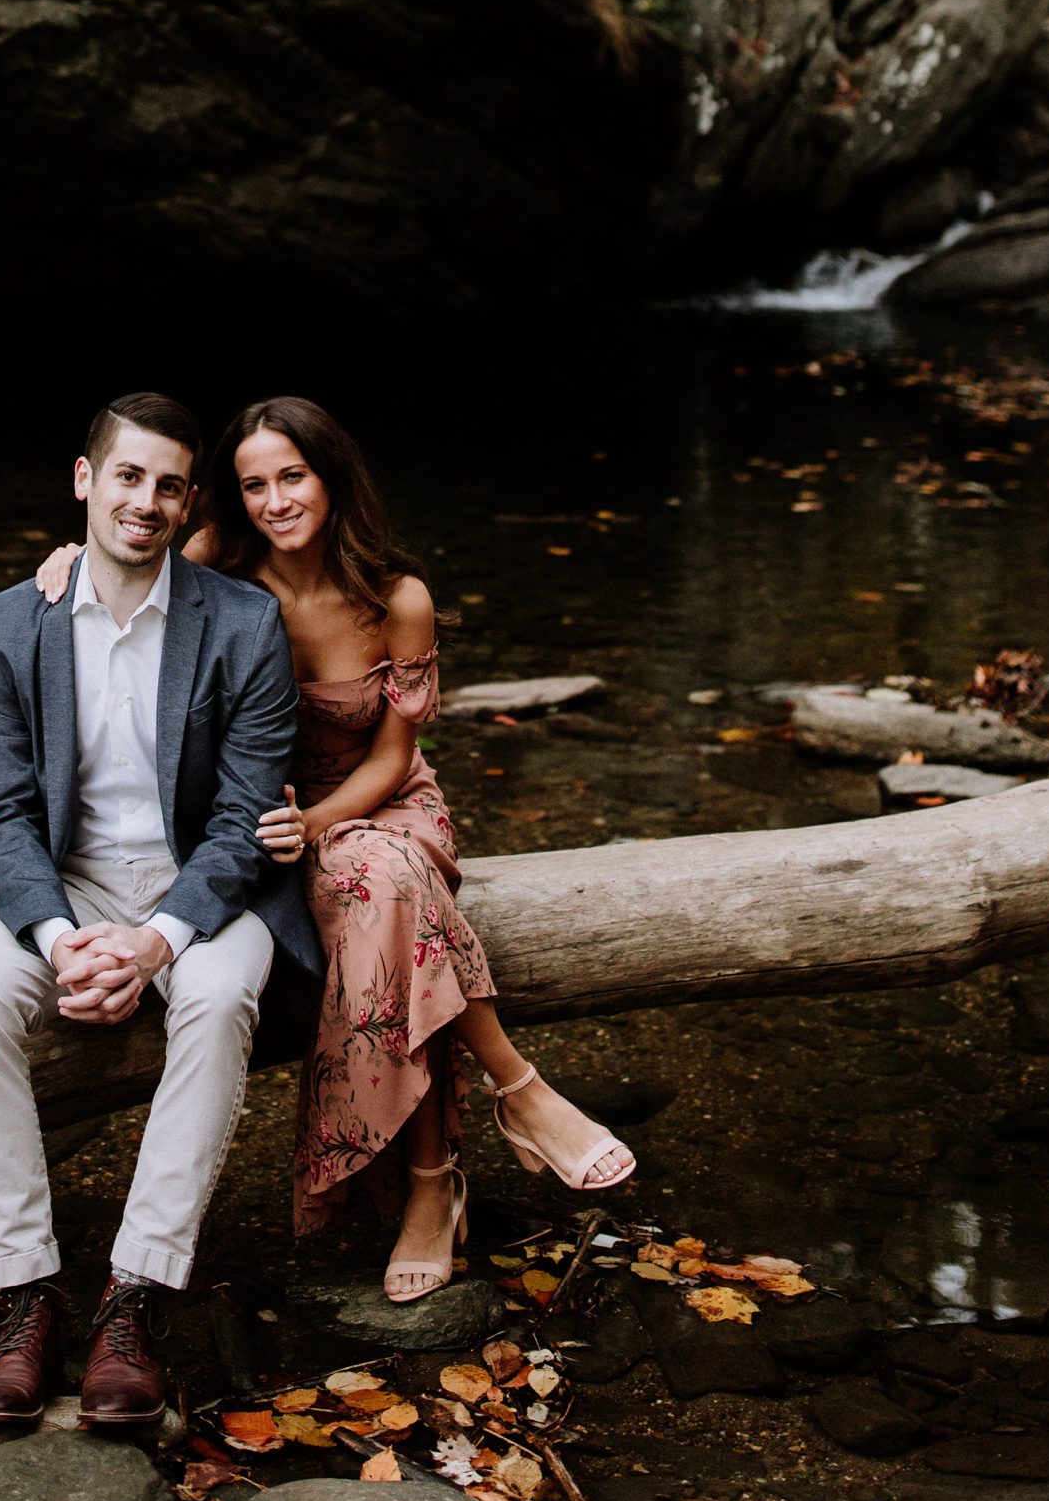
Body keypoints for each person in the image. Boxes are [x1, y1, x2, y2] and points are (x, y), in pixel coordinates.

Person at [36, 395, 632, 1307]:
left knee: (383, 877)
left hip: (379, 805)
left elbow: (396, 757)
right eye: (252, 485)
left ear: (331, 476)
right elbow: (123, 569)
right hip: (260, 817)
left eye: (292, 476)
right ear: (229, 501)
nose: (275, 500)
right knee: (389, 899)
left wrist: (319, 825)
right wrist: (69, 558)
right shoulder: (211, 567)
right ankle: (504, 1113)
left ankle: (449, 1172)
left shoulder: (398, 598)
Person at [0, 392, 320, 1430]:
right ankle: (24, 1296)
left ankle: (133, 1297)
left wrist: (157, 936)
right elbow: (1, 808)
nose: (143, 501)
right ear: (83, 479)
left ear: (188, 498)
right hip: (68, 881)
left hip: (205, 880)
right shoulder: (12, 619)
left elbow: (247, 811)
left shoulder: (241, 621)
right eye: (125, 476)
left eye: (165, 484)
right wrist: (63, 942)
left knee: (212, 997)